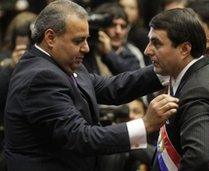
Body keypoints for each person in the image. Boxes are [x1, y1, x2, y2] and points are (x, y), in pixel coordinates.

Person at [4, 1, 179, 170]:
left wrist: (166, 66)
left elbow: (112, 87)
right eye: (78, 41)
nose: (86, 48)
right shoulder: (39, 76)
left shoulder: (64, 63)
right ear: (50, 38)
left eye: (87, 39)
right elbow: (81, 137)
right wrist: (145, 124)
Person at [144, 8, 209, 170]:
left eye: (156, 43)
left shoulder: (199, 90)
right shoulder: (189, 74)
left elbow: (201, 160)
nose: (147, 50)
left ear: (184, 49)